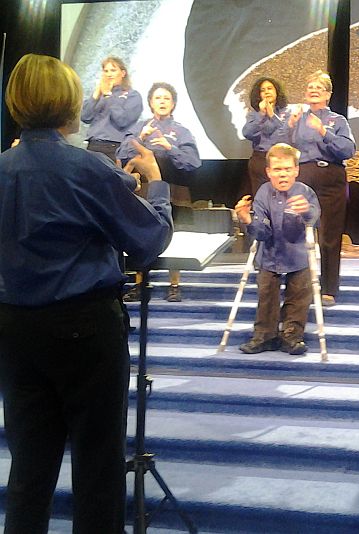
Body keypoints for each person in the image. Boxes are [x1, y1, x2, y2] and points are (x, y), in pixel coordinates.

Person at [0, 54, 172, 533]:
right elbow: (147, 242)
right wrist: (156, 185)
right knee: (98, 470)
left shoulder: (4, 168)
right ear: (68, 104)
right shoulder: (87, 169)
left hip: (14, 330)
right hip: (84, 332)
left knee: (29, 472)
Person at [276, 70, 355, 307]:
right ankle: (296, 286)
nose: (313, 90)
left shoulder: (338, 121)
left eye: (319, 87)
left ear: (328, 95)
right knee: (295, 232)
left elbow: (348, 150)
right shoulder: (296, 119)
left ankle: (329, 288)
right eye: (310, 86)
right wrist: (288, 128)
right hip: (303, 176)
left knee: (330, 234)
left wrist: (323, 131)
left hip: (330, 177)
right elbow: (279, 148)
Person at [118, 82, 202, 302]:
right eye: (158, 98)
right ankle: (139, 284)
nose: (162, 102)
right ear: (151, 103)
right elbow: (122, 154)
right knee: (141, 234)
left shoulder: (182, 131)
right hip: (145, 190)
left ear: (173, 103)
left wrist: (169, 147)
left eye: (166, 98)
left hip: (175, 189)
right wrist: (141, 139)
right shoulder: (138, 128)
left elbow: (193, 162)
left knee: (176, 235)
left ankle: (174, 284)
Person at [235, 143, 320, 356]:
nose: (283, 174)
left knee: (299, 296)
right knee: (266, 295)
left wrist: (306, 212)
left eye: (287, 169)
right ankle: (264, 336)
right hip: (270, 254)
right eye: (278, 169)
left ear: (296, 170)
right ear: (269, 172)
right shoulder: (263, 193)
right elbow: (262, 231)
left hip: (298, 255)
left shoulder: (305, 192)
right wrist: (247, 219)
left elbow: (315, 218)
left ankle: (291, 337)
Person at [80, 56, 143, 161]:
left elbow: (122, 121)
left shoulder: (133, 95)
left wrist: (109, 96)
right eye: (106, 71)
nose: (109, 74)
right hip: (93, 145)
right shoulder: (100, 95)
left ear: (123, 73)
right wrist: (96, 95)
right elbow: (85, 117)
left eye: (113, 70)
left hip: (114, 147)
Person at [242, 76, 290, 196]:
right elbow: (247, 133)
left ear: (276, 92)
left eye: (270, 88)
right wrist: (262, 114)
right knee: (261, 197)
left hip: (282, 159)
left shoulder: (287, 113)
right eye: (263, 90)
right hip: (260, 160)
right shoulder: (254, 115)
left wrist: (272, 115)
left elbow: (286, 134)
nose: (267, 92)